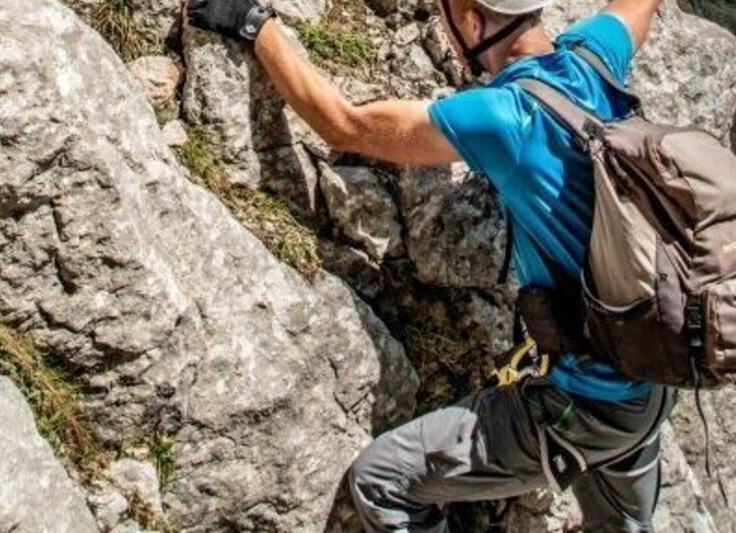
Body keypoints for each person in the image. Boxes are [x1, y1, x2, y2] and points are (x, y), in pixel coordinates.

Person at [187, 0, 676, 530]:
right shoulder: (595, 54)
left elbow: (343, 123)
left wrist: (257, 27)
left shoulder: (502, 119)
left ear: (471, 21)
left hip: (586, 403)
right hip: (657, 368)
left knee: (382, 482)